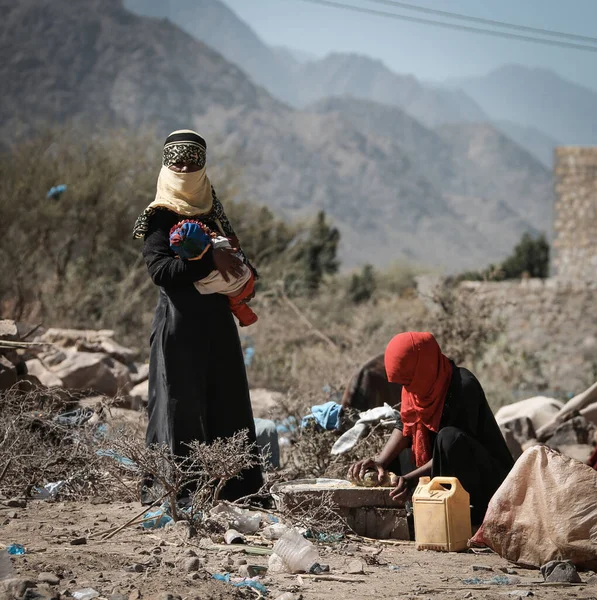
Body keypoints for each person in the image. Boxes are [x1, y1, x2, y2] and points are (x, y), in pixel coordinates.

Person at [133, 129, 263, 503]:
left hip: (218, 324)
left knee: (228, 400)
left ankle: (237, 489)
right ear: (166, 164)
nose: (186, 168)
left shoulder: (213, 210)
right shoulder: (159, 216)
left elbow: (237, 254)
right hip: (179, 325)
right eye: (178, 161)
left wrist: (239, 270)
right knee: (181, 404)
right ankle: (178, 491)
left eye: (193, 161)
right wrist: (208, 260)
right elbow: (160, 272)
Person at [349, 331, 514, 524]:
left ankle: (472, 517)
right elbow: (405, 424)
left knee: (448, 437)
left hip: (486, 483)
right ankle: (403, 515)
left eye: (409, 381)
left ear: (424, 366)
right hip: (444, 471)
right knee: (397, 455)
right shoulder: (417, 388)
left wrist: (410, 480)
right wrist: (381, 462)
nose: (407, 388)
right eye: (404, 383)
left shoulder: (463, 385)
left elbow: (453, 451)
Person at [169, 219, 258, 327]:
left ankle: (248, 319)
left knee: (236, 306)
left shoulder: (199, 274)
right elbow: (234, 248)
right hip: (247, 277)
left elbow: (199, 288)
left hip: (235, 293)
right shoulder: (219, 244)